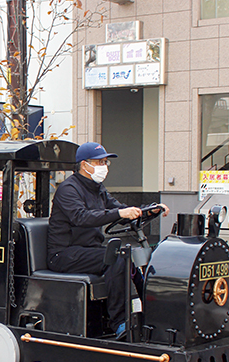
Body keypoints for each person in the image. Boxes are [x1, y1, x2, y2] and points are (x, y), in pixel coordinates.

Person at [47, 142, 169, 340]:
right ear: (84, 165)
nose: (104, 166)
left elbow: (119, 209)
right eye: (100, 162)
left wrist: (149, 209)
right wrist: (119, 212)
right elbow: (81, 217)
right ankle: (120, 323)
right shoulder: (68, 189)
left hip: (88, 251)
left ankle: (150, 315)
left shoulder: (98, 189)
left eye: (105, 162)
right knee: (117, 259)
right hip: (64, 254)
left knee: (130, 259)